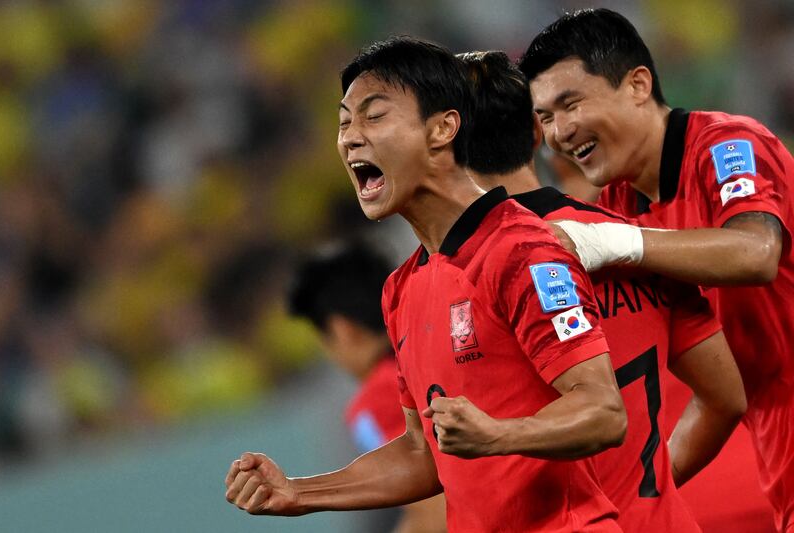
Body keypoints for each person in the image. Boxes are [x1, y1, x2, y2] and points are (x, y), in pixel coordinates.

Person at [225, 36, 628, 532]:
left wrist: (498, 435)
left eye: (374, 116)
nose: (351, 137)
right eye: (344, 121)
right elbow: (422, 452)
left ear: (443, 128)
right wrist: (300, 492)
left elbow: (604, 410)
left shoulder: (521, 250)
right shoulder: (402, 289)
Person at [521, 8, 794, 532]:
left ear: (638, 85)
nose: (559, 132)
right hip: (774, 446)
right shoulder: (618, 207)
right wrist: (633, 501)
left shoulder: (728, 145)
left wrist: (620, 243)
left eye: (570, 103)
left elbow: (757, 253)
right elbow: (722, 398)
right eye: (546, 117)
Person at [460, 49, 746, 532]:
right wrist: (645, 493)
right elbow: (727, 399)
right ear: (536, 133)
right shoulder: (634, 242)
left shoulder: (458, 275)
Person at [288, 242, 447, 533]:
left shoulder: (377, 398)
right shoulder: (433, 358)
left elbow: (436, 512)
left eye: (323, 340)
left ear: (342, 330)